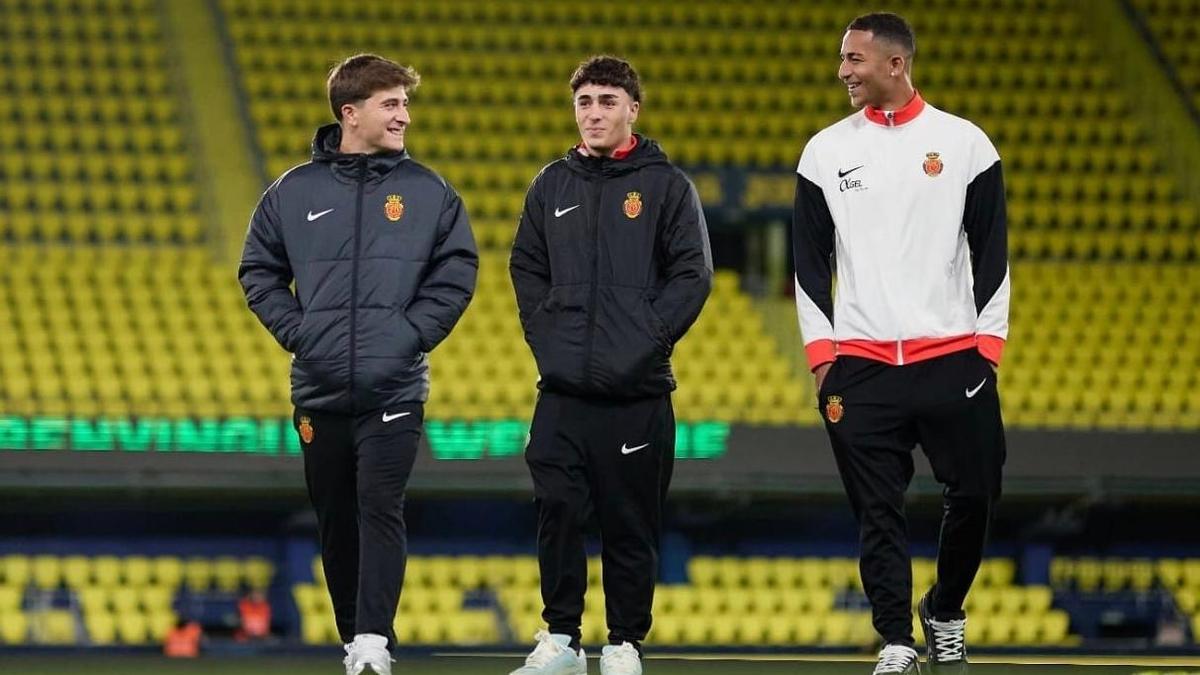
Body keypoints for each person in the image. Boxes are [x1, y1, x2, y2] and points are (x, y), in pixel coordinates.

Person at [239, 53, 477, 675]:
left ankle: (374, 640)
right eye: (390, 104)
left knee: (380, 503)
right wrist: (300, 333)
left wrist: (410, 335)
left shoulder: (429, 191)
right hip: (317, 386)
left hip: (394, 383)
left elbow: (457, 273)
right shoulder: (292, 192)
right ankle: (358, 645)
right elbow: (258, 272)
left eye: (405, 102)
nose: (404, 115)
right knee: (336, 520)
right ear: (351, 112)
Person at [792, 13, 1009, 675]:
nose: (842, 71)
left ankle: (945, 607)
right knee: (877, 510)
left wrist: (988, 348)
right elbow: (807, 261)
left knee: (976, 493)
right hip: (860, 367)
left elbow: (992, 252)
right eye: (842, 59)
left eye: (854, 59)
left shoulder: (965, 143)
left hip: (952, 358)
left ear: (895, 63)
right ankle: (895, 639)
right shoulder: (824, 151)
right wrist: (823, 357)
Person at [508, 55, 712, 675]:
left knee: (630, 523)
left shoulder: (667, 187)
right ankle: (561, 641)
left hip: (637, 393)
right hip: (563, 391)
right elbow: (526, 268)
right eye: (584, 102)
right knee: (557, 513)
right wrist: (552, 342)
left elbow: (692, 276)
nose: (594, 113)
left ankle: (624, 644)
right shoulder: (551, 184)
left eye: (606, 101)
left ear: (632, 109)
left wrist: (642, 340)